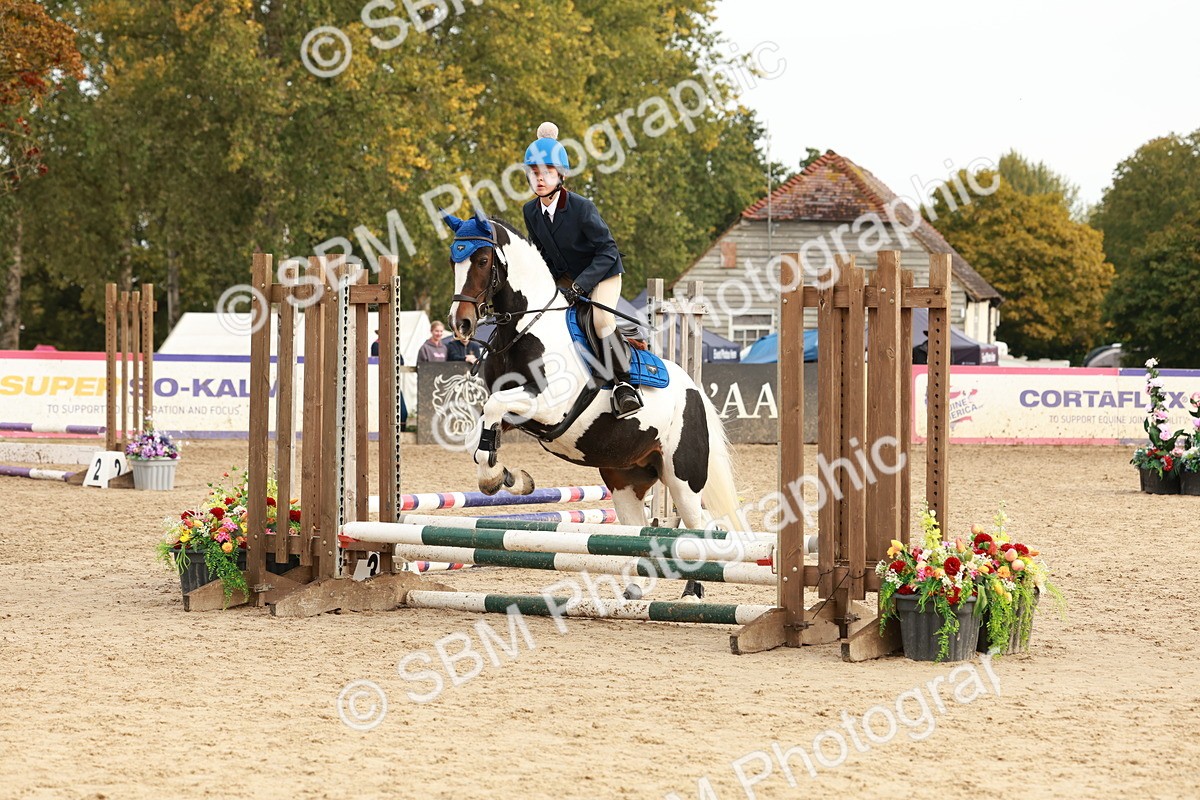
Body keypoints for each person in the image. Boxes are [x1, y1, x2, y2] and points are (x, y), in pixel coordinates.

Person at [521, 121, 642, 418]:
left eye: (547, 172)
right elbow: (542, 256)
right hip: (566, 274)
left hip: (602, 271)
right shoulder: (530, 211)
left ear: (560, 175)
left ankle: (624, 386)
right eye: (534, 173)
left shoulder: (581, 207)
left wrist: (579, 286)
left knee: (600, 320)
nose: (539, 179)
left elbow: (607, 250)